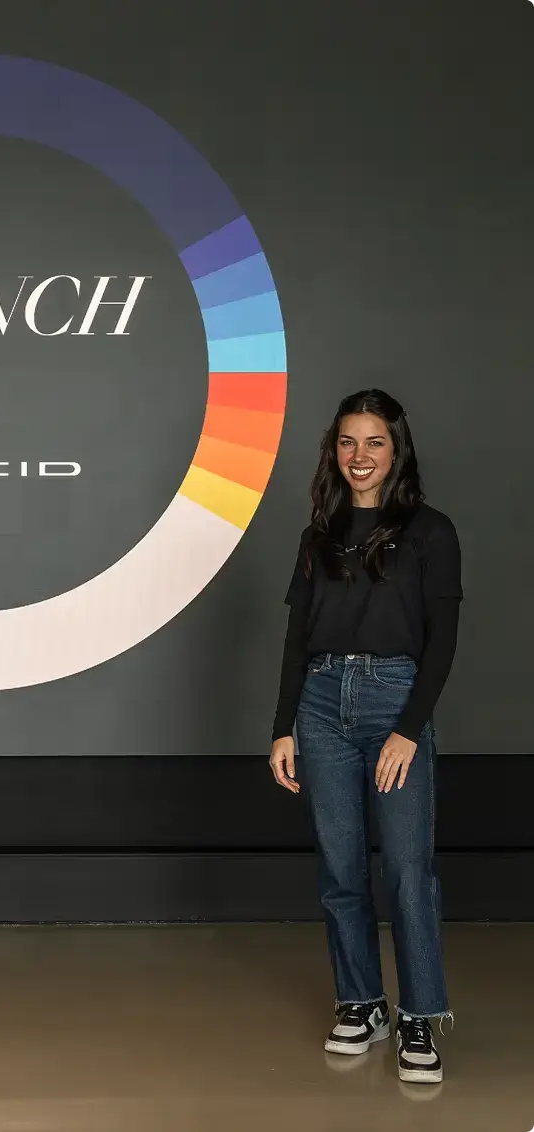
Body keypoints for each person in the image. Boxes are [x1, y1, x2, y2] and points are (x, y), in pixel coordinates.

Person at [268, 389, 461, 1085]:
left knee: (408, 870)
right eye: (348, 443)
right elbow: (297, 638)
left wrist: (410, 729)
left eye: (373, 442)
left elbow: (442, 642)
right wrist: (282, 725)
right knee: (340, 868)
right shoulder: (318, 535)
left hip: (393, 702)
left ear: (396, 450)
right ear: (334, 452)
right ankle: (361, 1001)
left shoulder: (431, 532)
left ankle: (419, 1014)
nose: (360, 456)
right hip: (321, 705)